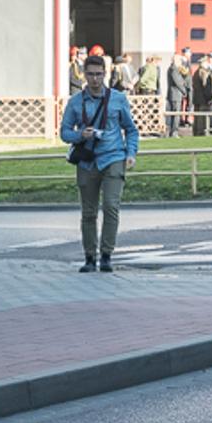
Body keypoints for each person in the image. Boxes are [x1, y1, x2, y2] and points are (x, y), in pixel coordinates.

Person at [59, 54, 139, 273]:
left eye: (99, 74)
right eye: (91, 74)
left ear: (105, 74)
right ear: (84, 75)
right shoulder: (76, 102)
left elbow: (131, 129)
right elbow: (64, 132)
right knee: (89, 212)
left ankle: (106, 255)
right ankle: (89, 257)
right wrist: (79, 135)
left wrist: (131, 153)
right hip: (87, 162)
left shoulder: (118, 99)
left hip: (114, 157)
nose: (95, 79)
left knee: (111, 207)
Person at [165, 50, 191, 137]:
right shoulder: (174, 69)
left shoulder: (174, 69)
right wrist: (184, 90)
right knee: (176, 114)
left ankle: (173, 131)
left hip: (175, 94)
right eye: (180, 61)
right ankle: (174, 132)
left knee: (175, 114)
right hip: (175, 94)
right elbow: (178, 82)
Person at [191, 55, 212, 137]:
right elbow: (206, 87)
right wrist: (210, 98)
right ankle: (202, 132)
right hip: (203, 100)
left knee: (198, 118)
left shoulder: (196, 72)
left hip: (197, 99)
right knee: (202, 119)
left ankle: (197, 132)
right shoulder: (203, 73)